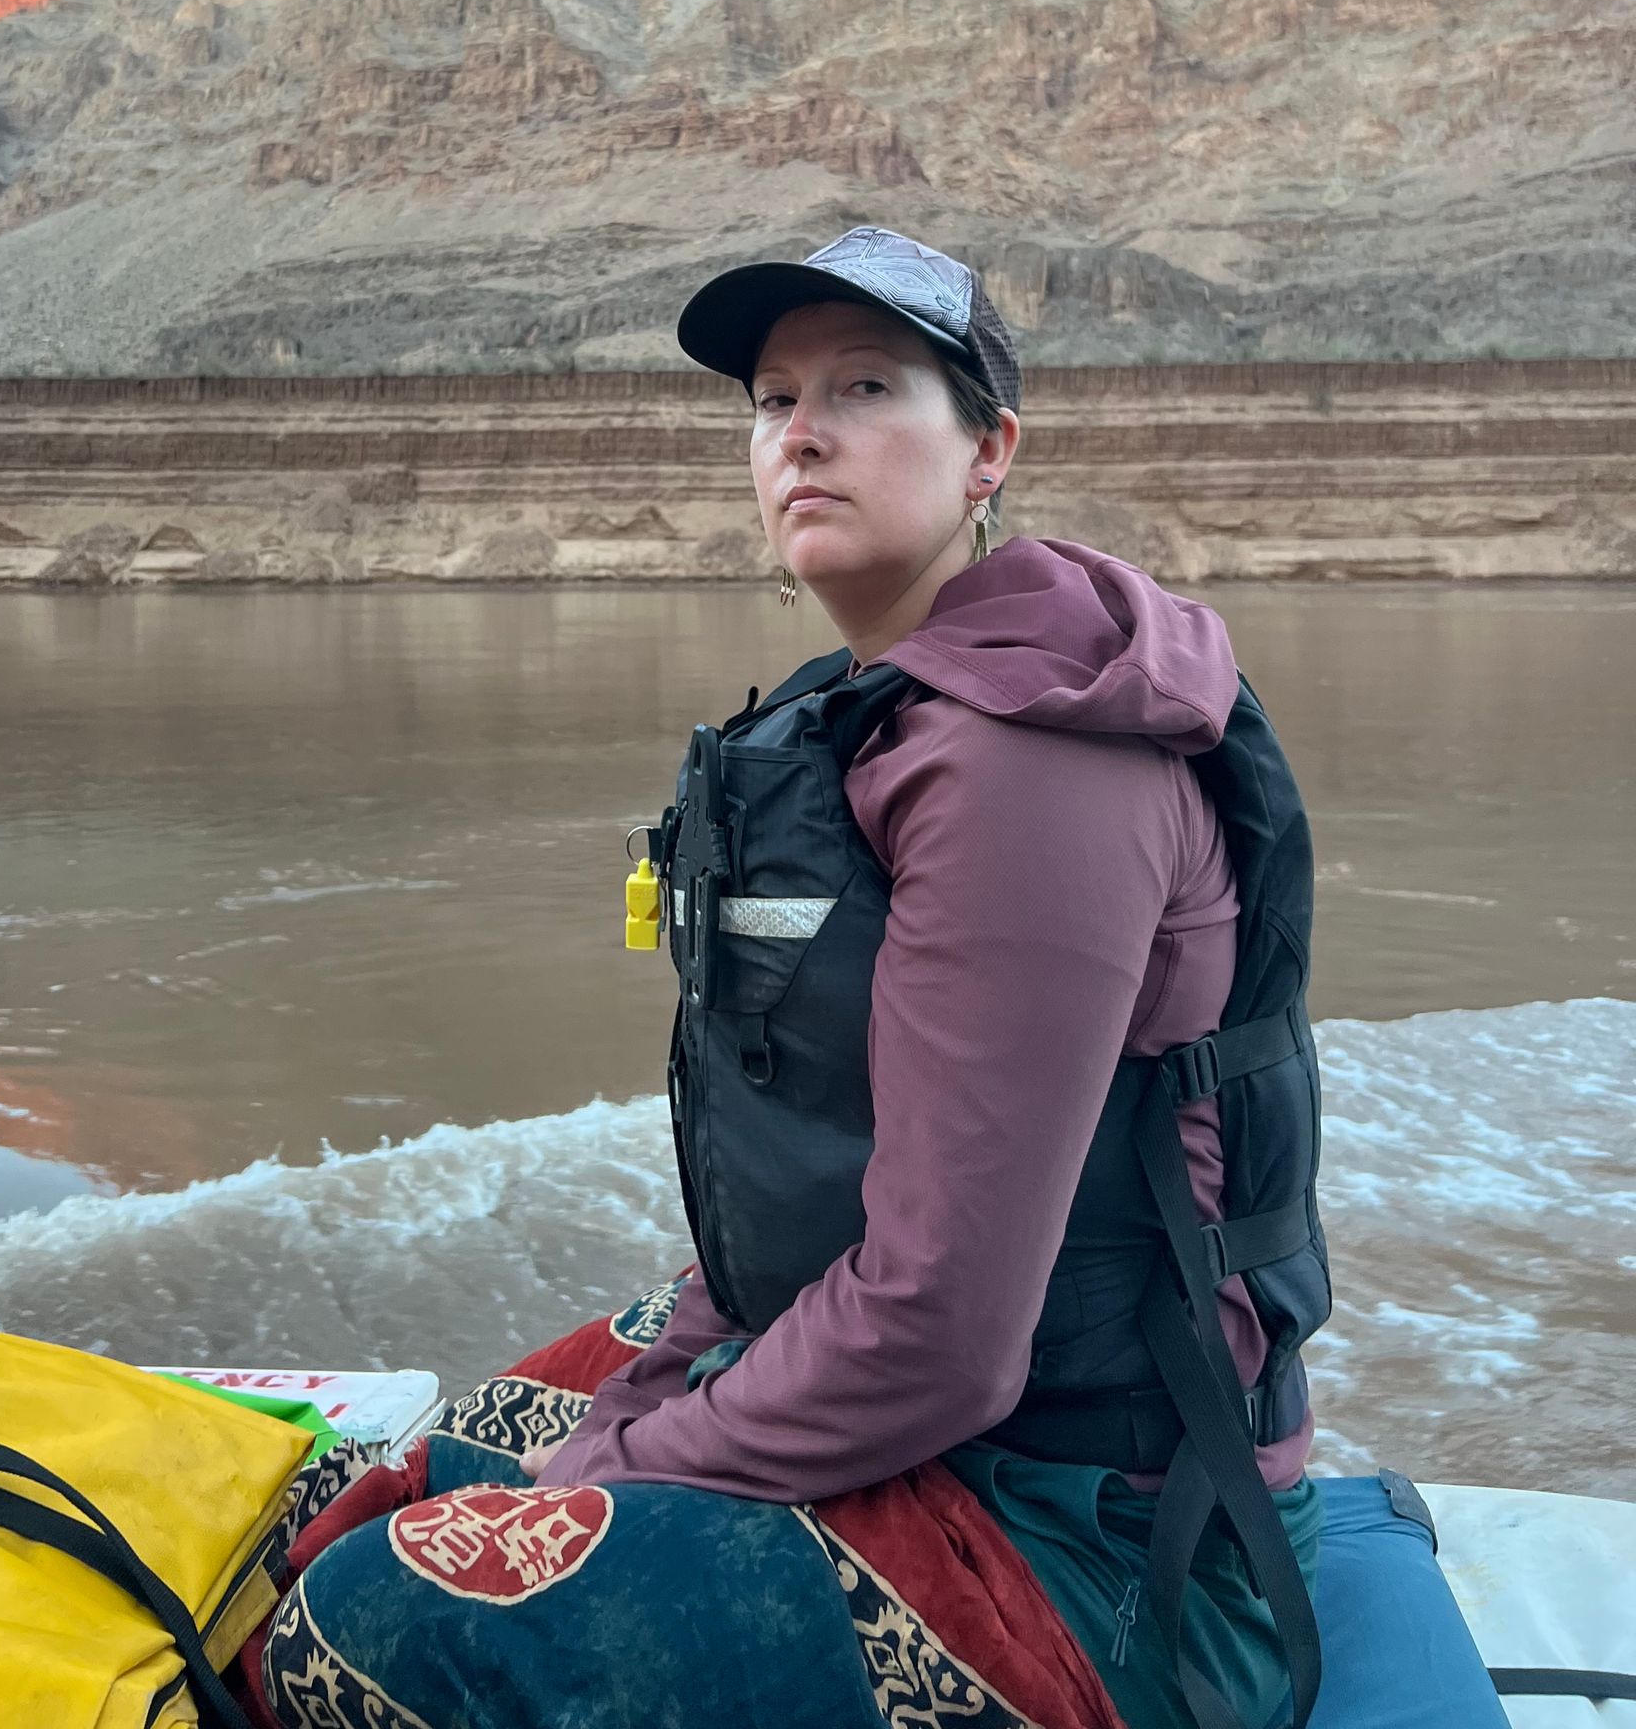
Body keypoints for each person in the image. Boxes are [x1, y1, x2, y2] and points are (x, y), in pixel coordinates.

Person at [522, 225, 1330, 1729]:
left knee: (365, 1604)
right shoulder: (884, 710)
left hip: (1093, 1529)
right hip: (978, 1419)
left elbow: (943, 1338)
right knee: (474, 1439)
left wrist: (612, 1470)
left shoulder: (1025, 760)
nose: (802, 433)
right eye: (773, 400)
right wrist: (658, 1386)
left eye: (868, 386)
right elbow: (834, 1179)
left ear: (987, 455)